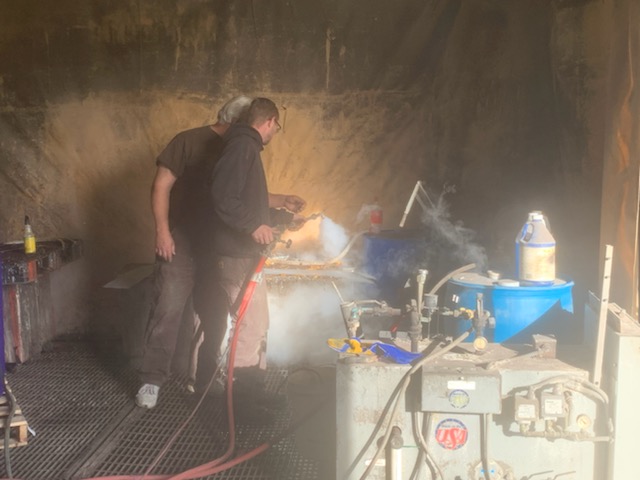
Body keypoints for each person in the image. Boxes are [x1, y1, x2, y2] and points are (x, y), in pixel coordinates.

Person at [136, 95, 253, 409]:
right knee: (167, 311)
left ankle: (205, 379)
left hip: (213, 247)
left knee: (216, 315)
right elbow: (160, 185)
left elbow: (233, 196)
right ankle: (151, 381)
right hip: (181, 241)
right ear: (238, 120)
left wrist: (280, 200)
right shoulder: (188, 141)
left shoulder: (237, 149)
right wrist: (162, 231)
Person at [198, 97, 305, 422]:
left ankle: (253, 393)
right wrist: (254, 225)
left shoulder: (244, 146)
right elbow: (223, 197)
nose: (275, 132)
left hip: (243, 253)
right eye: (277, 126)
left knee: (260, 324)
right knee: (250, 325)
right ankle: (240, 407)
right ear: (270, 120)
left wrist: (276, 215)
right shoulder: (243, 146)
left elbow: (245, 199)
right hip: (234, 255)